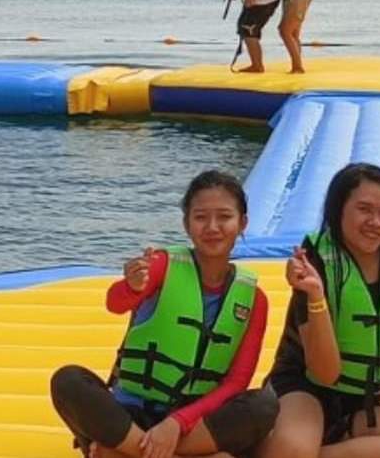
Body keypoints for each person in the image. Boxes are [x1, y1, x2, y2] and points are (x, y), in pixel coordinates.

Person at [49, 170, 280, 458]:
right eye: (200, 217)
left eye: (224, 217)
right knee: (68, 381)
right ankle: (148, 450)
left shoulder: (254, 299)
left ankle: (123, 452)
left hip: (193, 424)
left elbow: (236, 383)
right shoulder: (162, 264)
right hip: (130, 414)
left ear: (242, 222)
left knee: (264, 405)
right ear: (186, 224)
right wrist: (132, 286)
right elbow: (115, 303)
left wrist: (176, 423)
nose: (212, 227)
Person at [259, 162, 380, 458]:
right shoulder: (314, 263)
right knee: (293, 450)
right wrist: (316, 296)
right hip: (302, 388)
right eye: (364, 209)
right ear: (339, 210)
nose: (375, 221)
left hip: (362, 403)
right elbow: (324, 371)